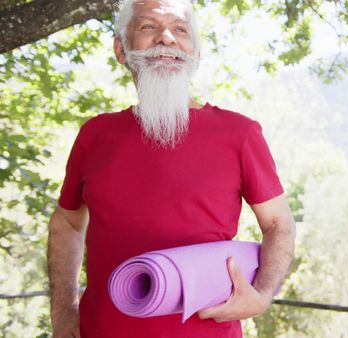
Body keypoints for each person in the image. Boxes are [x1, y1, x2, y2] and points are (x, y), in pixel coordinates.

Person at [46, 0, 296, 337]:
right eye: (148, 26)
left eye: (180, 30)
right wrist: (63, 311)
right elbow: (67, 223)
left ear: (196, 52)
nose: (167, 38)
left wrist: (262, 295)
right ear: (121, 49)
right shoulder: (95, 135)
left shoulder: (240, 133)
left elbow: (279, 223)